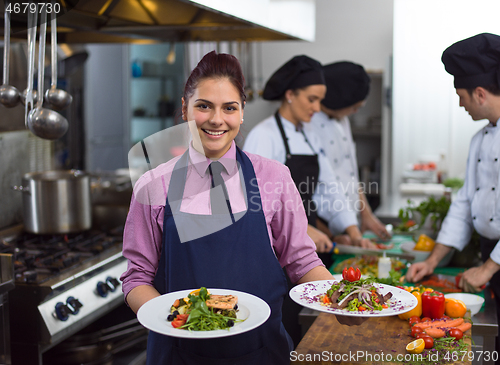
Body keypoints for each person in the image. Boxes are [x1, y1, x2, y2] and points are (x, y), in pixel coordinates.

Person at [120, 50, 355, 365]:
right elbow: (137, 277)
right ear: (185, 108)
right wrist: (173, 321)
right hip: (178, 353)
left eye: (229, 108)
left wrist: (339, 300)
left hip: (262, 351)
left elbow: (300, 260)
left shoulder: (273, 176)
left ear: (242, 112)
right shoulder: (154, 185)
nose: (217, 119)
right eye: (204, 106)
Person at [243, 55, 376, 347]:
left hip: (303, 252)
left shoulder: (307, 135)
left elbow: (328, 188)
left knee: (308, 325)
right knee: (285, 325)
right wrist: (302, 230)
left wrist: (351, 229)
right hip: (274, 256)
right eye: (312, 99)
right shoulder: (263, 136)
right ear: (290, 95)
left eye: (320, 100)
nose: (317, 108)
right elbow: (255, 206)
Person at [405, 33, 500, 362]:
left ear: (479, 93)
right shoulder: (479, 140)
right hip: (492, 256)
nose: (460, 104)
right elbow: (463, 204)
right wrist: (432, 261)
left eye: (461, 96)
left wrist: (488, 268)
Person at [309, 61, 391, 241]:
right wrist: (328, 236)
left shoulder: (342, 119)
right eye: (354, 107)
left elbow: (351, 173)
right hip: (322, 230)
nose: (355, 112)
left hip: (349, 224)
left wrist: (366, 214)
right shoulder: (308, 123)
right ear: (338, 100)